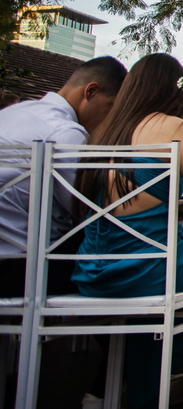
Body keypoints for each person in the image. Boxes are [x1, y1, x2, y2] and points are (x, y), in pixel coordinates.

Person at [71, 54, 183, 409]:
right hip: (150, 271)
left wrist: (181, 216)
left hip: (93, 274)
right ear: (175, 90)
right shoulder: (173, 127)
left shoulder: (102, 132)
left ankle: (153, 382)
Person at [0, 56, 127, 295]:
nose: (112, 120)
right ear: (91, 92)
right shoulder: (66, 133)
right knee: (128, 253)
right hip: (23, 268)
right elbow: (94, 212)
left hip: (12, 255)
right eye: (112, 108)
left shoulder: (11, 114)